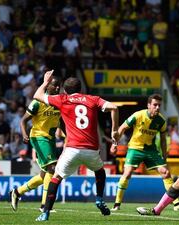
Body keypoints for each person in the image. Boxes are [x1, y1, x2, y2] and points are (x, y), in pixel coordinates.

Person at [34, 70, 119, 221]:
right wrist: (114, 131)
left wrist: (45, 82)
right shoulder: (93, 99)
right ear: (81, 90)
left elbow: (37, 96)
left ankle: (45, 212)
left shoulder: (62, 99)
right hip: (92, 150)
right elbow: (114, 108)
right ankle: (99, 199)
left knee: (56, 178)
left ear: (65, 90)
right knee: (100, 171)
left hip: (72, 149)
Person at [110, 94, 179, 211]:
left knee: (166, 173)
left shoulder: (161, 121)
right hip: (135, 148)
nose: (157, 107)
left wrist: (164, 154)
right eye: (155, 105)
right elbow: (122, 128)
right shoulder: (138, 115)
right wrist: (114, 144)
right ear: (149, 105)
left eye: (159, 105)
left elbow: (163, 140)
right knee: (127, 174)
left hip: (150, 150)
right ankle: (116, 205)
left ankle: (177, 204)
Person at [9, 76, 62, 212]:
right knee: (52, 168)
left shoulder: (59, 101)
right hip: (38, 137)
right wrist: (24, 134)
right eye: (55, 85)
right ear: (47, 86)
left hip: (50, 139)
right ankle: (45, 205)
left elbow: (60, 121)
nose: (57, 88)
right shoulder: (37, 102)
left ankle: (17, 192)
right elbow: (23, 120)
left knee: (44, 175)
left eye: (59, 86)